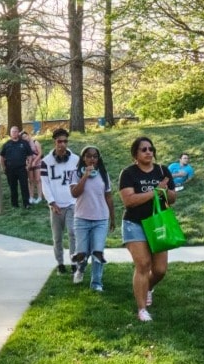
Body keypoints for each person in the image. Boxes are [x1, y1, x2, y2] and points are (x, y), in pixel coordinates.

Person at [119, 136, 176, 323]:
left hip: (158, 224)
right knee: (143, 264)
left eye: (151, 149)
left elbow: (173, 198)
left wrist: (166, 191)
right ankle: (142, 309)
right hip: (134, 223)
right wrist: (156, 191)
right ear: (135, 153)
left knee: (160, 270)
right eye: (143, 149)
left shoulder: (162, 170)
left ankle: (147, 288)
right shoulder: (128, 173)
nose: (148, 152)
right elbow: (129, 200)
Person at [70, 144, 113, 291]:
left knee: (97, 251)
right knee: (82, 252)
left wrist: (112, 218)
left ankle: (96, 283)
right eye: (89, 156)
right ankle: (80, 270)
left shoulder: (103, 174)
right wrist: (85, 176)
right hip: (82, 218)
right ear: (83, 158)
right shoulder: (76, 173)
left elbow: (109, 196)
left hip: (101, 218)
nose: (92, 159)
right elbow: (75, 193)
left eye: (95, 156)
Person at [40, 128, 80, 274]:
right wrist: (51, 202)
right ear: (54, 142)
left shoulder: (76, 159)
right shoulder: (46, 162)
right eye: (59, 141)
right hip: (56, 205)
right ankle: (60, 264)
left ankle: (74, 262)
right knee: (57, 237)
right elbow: (45, 184)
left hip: (72, 203)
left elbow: (80, 180)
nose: (62, 144)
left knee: (73, 233)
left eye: (65, 141)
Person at [0, 126, 31, 208]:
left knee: (24, 186)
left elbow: (29, 155)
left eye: (16, 131)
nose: (14, 133)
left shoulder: (24, 143)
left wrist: (29, 165)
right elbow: (1, 157)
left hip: (22, 168)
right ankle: (14, 204)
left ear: (18, 132)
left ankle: (26, 203)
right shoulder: (6, 144)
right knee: (13, 187)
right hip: (10, 169)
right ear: (10, 133)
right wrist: (3, 167)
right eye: (12, 132)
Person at [23, 129, 44, 205]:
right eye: (23, 138)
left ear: (28, 135)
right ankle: (31, 197)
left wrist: (35, 161)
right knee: (30, 180)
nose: (25, 138)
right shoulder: (24, 145)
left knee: (38, 179)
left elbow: (40, 153)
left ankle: (39, 197)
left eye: (25, 136)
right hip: (29, 164)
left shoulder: (35, 142)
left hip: (37, 163)